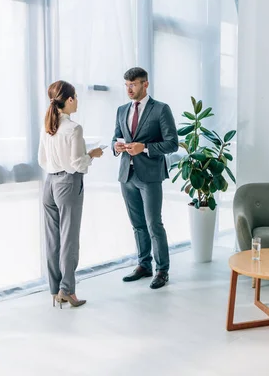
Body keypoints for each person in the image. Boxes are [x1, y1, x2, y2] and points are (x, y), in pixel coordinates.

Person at [38, 80, 104, 308]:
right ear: (68, 100)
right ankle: (67, 290)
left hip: (50, 183)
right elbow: (78, 164)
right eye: (75, 97)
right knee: (69, 240)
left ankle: (55, 290)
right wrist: (92, 154)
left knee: (52, 239)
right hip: (68, 183)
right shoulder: (74, 128)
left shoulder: (48, 125)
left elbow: (42, 160)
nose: (77, 101)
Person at [112, 67, 178, 289]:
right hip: (127, 175)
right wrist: (116, 146)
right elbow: (115, 137)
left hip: (150, 175)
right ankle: (144, 264)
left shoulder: (160, 109)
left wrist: (145, 148)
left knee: (153, 224)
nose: (129, 89)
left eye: (134, 84)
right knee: (137, 224)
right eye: (127, 85)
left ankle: (162, 270)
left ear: (145, 84)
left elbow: (172, 143)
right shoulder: (121, 110)